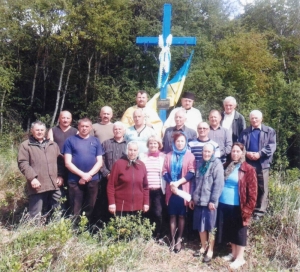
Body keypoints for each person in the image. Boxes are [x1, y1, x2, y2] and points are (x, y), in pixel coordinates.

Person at [217, 143, 257, 270]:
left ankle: (240, 258)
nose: (235, 154)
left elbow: (253, 192)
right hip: (224, 203)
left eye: (238, 151)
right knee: (230, 230)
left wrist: (248, 209)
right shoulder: (227, 165)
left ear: (242, 153)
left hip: (239, 206)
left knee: (239, 232)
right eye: (233, 151)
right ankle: (233, 254)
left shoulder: (248, 169)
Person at [18, 121, 64, 219]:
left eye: (42, 130)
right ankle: (34, 232)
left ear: (45, 131)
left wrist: (60, 175)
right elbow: (23, 163)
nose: (40, 132)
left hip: (53, 183)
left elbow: (60, 161)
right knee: (35, 212)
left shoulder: (53, 145)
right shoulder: (26, 145)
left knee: (58, 208)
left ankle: (55, 229)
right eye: (37, 130)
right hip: (37, 184)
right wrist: (32, 178)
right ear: (32, 131)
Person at [63, 118, 103, 223]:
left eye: (87, 126)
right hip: (74, 180)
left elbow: (100, 162)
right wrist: (82, 175)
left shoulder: (96, 141)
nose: (84, 128)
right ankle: (75, 231)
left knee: (90, 206)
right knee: (75, 206)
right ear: (78, 127)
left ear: (90, 128)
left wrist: (88, 175)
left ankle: (86, 229)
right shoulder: (70, 140)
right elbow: (67, 162)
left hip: (93, 179)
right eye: (82, 126)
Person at [238, 110, 276, 219]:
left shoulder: (269, 131)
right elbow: (240, 145)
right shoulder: (245, 132)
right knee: (248, 187)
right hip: (248, 164)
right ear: (249, 119)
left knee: (262, 188)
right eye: (252, 118)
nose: (254, 120)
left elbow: (272, 147)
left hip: (262, 164)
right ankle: (247, 209)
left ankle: (259, 212)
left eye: (256, 118)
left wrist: (260, 154)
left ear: (261, 119)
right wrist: (247, 153)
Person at [189, 143, 224, 263]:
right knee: (200, 226)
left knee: (210, 227)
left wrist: (213, 201)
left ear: (213, 152)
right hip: (199, 201)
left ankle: (210, 250)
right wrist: (193, 198)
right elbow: (194, 182)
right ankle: (203, 247)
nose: (207, 154)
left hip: (210, 202)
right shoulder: (199, 163)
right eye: (205, 151)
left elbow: (218, 184)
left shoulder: (217, 164)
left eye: (209, 152)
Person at [163, 132, 195, 253]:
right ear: (174, 143)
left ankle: (179, 240)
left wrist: (178, 183)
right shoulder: (168, 155)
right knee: (172, 215)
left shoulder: (190, 156)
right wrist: (172, 183)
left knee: (181, 215)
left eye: (182, 141)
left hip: (183, 189)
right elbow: (164, 172)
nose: (180, 143)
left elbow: (191, 172)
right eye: (178, 141)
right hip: (171, 190)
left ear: (185, 142)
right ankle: (171, 239)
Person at [107, 141, 149, 216]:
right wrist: (111, 203)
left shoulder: (142, 165)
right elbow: (111, 185)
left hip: (138, 207)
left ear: (138, 151)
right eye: (130, 150)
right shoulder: (118, 164)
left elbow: (145, 187)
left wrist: (146, 203)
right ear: (127, 150)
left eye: (135, 150)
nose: (132, 152)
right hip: (121, 207)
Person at [47, 110, 78, 215]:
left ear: (71, 119)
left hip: (72, 166)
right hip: (56, 165)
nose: (65, 120)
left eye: (68, 118)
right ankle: (56, 215)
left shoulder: (75, 131)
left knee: (72, 190)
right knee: (57, 191)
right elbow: (49, 148)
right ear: (59, 118)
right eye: (63, 118)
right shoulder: (53, 130)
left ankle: (71, 214)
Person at [97, 121, 127, 223]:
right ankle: (105, 227)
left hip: (123, 181)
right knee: (106, 203)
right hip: (108, 178)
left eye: (120, 129)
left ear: (124, 131)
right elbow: (101, 160)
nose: (117, 131)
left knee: (121, 204)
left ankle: (120, 226)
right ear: (113, 131)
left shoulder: (129, 145)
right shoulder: (106, 143)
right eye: (115, 129)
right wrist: (106, 173)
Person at [140, 135, 166, 239]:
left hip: (159, 190)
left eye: (155, 143)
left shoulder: (163, 157)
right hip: (146, 190)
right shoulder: (143, 156)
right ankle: (147, 234)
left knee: (158, 212)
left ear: (159, 145)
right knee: (146, 211)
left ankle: (158, 233)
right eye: (151, 143)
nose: (153, 145)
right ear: (148, 145)